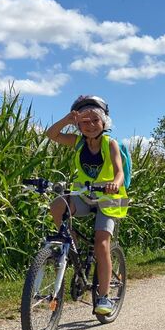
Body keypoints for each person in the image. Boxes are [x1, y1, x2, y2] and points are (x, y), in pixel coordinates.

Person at [45, 95, 128, 315]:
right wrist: (66, 120)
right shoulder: (78, 142)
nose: (90, 125)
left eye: (95, 120)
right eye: (84, 121)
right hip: (84, 195)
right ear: (78, 124)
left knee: (102, 244)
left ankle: (104, 297)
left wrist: (114, 184)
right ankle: (72, 248)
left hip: (109, 198)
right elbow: (51, 135)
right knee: (56, 206)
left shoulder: (110, 143)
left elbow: (119, 171)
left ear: (104, 123)